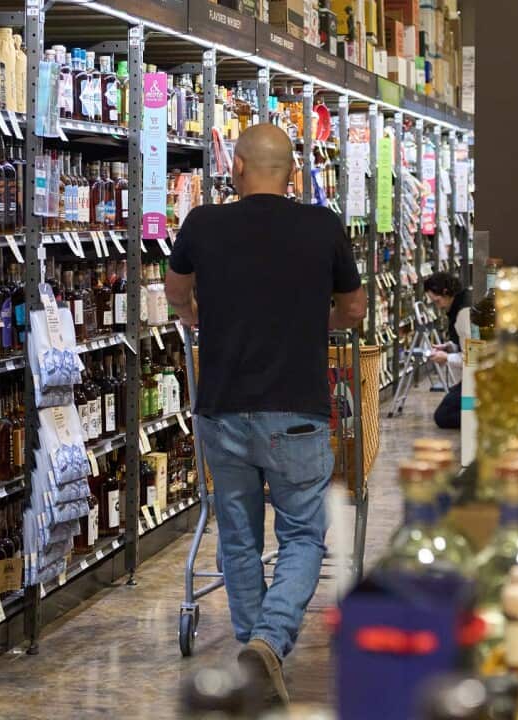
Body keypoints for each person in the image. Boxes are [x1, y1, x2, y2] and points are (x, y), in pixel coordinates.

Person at [166, 123, 367, 704]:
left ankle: (256, 652)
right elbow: (353, 307)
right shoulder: (321, 225)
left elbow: (176, 289)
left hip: (222, 409)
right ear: (294, 174)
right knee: (304, 533)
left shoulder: (203, 223)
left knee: (237, 536)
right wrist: (316, 322)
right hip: (296, 411)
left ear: (236, 170)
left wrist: (195, 315)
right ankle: (269, 643)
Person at [423, 272, 470, 429]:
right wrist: (449, 347)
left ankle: (481, 413)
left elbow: (474, 359)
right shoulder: (462, 303)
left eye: (437, 301)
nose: (439, 306)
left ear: (445, 292)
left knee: (444, 416)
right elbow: (466, 344)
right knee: (448, 407)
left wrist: (447, 358)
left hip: (476, 380)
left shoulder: (463, 314)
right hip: (471, 378)